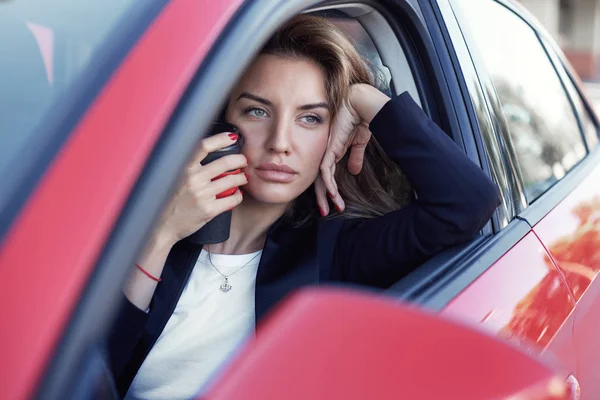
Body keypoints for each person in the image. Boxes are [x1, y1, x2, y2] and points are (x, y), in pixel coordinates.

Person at [109, 15, 500, 400]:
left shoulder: (337, 252)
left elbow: (467, 202)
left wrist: (364, 98)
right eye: (257, 111)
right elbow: (87, 370)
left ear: (336, 135)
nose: (281, 142)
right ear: (219, 121)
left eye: (310, 118)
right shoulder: (136, 219)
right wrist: (161, 235)